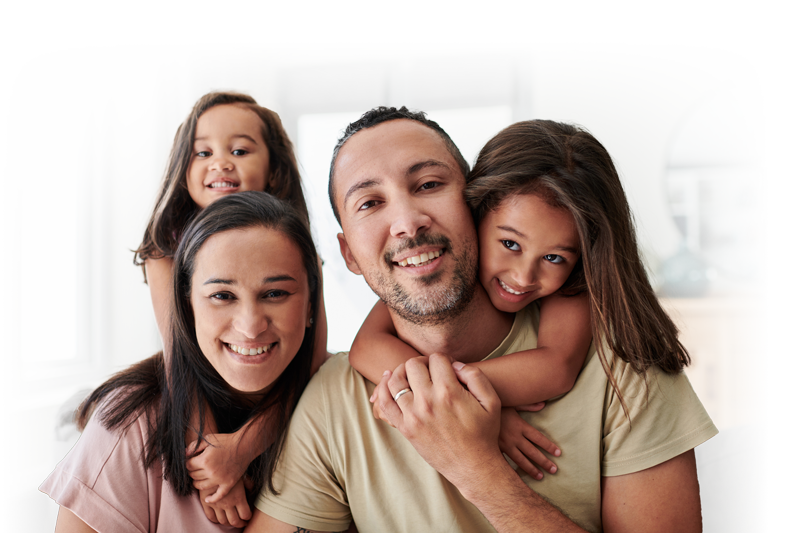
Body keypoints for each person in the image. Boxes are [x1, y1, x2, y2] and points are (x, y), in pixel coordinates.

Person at [246, 109, 717, 533]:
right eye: (370, 203)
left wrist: (478, 468)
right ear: (348, 253)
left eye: (428, 184)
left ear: (474, 203)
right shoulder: (334, 399)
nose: (408, 222)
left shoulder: (624, 364)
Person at [41, 191, 322, 532]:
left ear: (311, 307)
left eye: (275, 293)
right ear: (187, 307)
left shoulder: (341, 405)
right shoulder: (129, 422)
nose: (250, 326)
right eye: (222, 296)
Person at [347, 119, 599, 479]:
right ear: (475, 215)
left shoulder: (573, 286)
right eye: (510, 245)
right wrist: (463, 404)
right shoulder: (437, 280)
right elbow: (366, 347)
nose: (523, 276)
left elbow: (556, 369)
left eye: (554, 257)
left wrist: (455, 402)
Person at [131, 91, 329, 520]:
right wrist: (216, 461)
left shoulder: (302, 254)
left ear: (274, 171)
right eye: (203, 152)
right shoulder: (165, 253)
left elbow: (312, 365)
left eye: (239, 150)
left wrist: (243, 448)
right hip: (199, 405)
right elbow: (179, 361)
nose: (220, 162)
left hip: (281, 410)